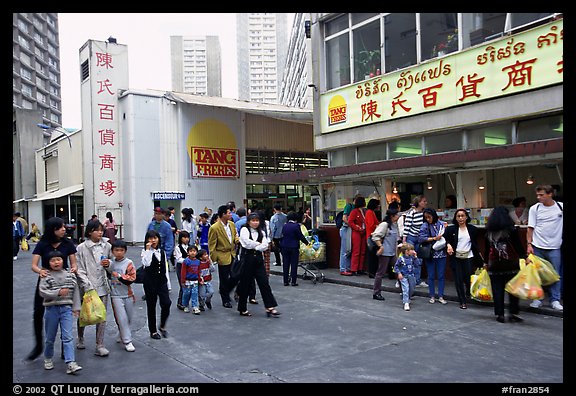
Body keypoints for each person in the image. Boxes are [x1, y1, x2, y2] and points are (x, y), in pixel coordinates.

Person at [28, 217, 78, 362]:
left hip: (64, 282)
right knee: (38, 312)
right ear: (52, 229)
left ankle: (65, 349)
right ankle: (39, 346)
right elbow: (34, 265)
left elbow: (74, 263)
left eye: (64, 227)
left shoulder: (67, 243)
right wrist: (40, 271)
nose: (64, 229)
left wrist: (74, 269)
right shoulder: (43, 244)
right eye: (60, 227)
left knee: (65, 313)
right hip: (46, 281)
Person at [38, 250, 82, 374]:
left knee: (67, 336)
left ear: (63, 260)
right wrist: (57, 293)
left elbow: (76, 292)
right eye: (53, 260)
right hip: (51, 309)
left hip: (66, 309)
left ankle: (70, 362)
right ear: (48, 263)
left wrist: (76, 308)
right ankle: (48, 358)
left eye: (59, 259)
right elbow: (42, 291)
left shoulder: (70, 275)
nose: (56, 262)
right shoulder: (46, 275)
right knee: (50, 337)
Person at [484, 206, 530, 323]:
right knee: (514, 289)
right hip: (511, 264)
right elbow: (518, 246)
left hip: (494, 264)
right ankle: (513, 313)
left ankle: (500, 314)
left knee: (497, 289)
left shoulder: (489, 231)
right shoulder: (512, 230)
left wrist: (485, 263)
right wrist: (525, 257)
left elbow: (486, 249)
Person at [75, 219, 113, 356]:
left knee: (101, 315)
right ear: (90, 231)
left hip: (102, 285)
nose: (100, 232)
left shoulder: (107, 245)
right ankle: (80, 337)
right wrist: (87, 285)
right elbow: (78, 269)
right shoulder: (81, 248)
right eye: (97, 230)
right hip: (87, 287)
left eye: (101, 230)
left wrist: (108, 263)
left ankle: (100, 344)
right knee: (83, 314)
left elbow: (112, 262)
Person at [236, 213, 281, 317]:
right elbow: (246, 243)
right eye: (253, 220)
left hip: (258, 259)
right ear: (248, 221)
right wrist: (258, 245)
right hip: (247, 259)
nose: (255, 223)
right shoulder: (244, 230)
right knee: (245, 284)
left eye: (257, 220)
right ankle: (242, 308)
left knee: (264, 282)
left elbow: (266, 245)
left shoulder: (261, 231)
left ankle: (270, 306)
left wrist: (256, 246)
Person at [527, 185, 563, 310]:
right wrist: (529, 244)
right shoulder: (534, 208)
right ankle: (537, 298)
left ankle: (555, 299)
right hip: (537, 246)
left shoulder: (560, 207)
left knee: (556, 274)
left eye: (541, 195)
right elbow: (530, 228)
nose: (538, 197)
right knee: (537, 274)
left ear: (550, 194)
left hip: (555, 246)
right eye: (537, 195)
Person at [444, 209, 483, 309]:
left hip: (468, 256)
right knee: (458, 279)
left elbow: (475, 244)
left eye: (462, 216)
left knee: (468, 276)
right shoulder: (451, 229)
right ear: (455, 218)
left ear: (466, 217)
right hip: (456, 256)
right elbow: (446, 239)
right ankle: (462, 301)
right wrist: (448, 245)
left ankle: (468, 292)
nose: (461, 218)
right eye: (458, 216)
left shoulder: (473, 229)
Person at [141, 229, 172, 339]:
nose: (153, 240)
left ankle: (162, 325)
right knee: (151, 306)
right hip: (150, 283)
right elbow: (146, 263)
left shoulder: (162, 252)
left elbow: (165, 269)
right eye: (150, 238)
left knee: (166, 303)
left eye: (155, 238)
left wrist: (168, 285)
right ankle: (153, 330)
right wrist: (148, 250)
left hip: (162, 281)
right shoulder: (145, 252)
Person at [106, 239, 136, 352]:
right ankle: (127, 341)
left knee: (128, 318)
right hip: (115, 295)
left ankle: (122, 333)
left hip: (128, 294)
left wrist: (119, 276)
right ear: (112, 251)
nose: (119, 252)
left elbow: (132, 278)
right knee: (121, 318)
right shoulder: (111, 263)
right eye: (116, 250)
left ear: (125, 251)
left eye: (121, 250)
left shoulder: (129, 263)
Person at [208, 204, 239, 308]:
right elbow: (212, 244)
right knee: (224, 278)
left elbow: (235, 236)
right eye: (229, 213)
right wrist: (214, 258)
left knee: (235, 276)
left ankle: (226, 291)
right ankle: (225, 299)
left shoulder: (231, 224)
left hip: (232, 253)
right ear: (223, 214)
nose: (230, 214)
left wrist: (239, 241)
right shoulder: (214, 227)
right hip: (222, 255)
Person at [419, 208, 448, 305]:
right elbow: (421, 238)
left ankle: (440, 295)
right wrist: (434, 238)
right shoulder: (425, 225)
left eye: (429, 217)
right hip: (430, 253)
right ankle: (432, 295)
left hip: (441, 253)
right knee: (431, 275)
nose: (427, 219)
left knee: (441, 275)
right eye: (426, 217)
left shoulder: (441, 224)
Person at [371, 207, 400, 300]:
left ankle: (405, 291)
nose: (398, 216)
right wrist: (380, 246)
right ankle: (376, 292)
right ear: (392, 216)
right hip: (385, 253)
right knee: (380, 273)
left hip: (392, 253)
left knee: (399, 269)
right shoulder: (384, 224)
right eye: (396, 215)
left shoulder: (395, 225)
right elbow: (375, 236)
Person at [403, 195, 429, 287]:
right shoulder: (411, 214)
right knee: (409, 259)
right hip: (411, 238)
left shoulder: (424, 214)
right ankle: (404, 279)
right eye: (424, 201)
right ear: (419, 203)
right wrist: (404, 240)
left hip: (419, 238)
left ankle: (417, 280)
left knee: (418, 259)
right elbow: (407, 227)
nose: (425, 203)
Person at [280, 211, 311, 286]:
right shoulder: (296, 226)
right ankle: (293, 281)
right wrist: (307, 243)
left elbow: (282, 235)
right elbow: (300, 236)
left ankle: (285, 281)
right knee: (294, 264)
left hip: (284, 246)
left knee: (286, 264)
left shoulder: (284, 226)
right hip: (294, 247)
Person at [147, 207, 175, 291]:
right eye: (155, 213)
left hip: (162, 250)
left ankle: (165, 287)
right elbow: (147, 237)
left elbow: (169, 241)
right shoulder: (151, 225)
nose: (157, 215)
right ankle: (151, 288)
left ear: (163, 215)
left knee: (163, 271)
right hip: (151, 250)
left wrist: (167, 255)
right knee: (150, 270)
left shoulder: (167, 226)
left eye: (159, 214)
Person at [394, 243, 421, 311]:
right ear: (407, 251)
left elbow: (418, 265)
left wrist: (415, 257)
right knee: (406, 288)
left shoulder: (412, 258)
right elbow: (396, 267)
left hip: (411, 275)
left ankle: (407, 297)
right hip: (404, 276)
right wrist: (399, 273)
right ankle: (406, 302)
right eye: (411, 250)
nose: (413, 251)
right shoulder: (401, 259)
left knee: (412, 288)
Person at [348, 195, 367, 275]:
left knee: (362, 251)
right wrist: (357, 228)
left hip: (363, 232)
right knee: (356, 251)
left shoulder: (363, 211)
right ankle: (354, 269)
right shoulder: (354, 211)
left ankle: (360, 268)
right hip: (356, 233)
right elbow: (350, 221)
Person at [181, 245, 201, 314]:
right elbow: (183, 272)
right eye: (191, 251)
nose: (192, 253)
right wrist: (183, 281)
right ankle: (185, 305)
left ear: (197, 252)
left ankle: (195, 306)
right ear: (188, 253)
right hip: (187, 281)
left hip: (195, 280)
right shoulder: (186, 261)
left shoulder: (198, 262)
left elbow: (198, 271)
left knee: (194, 293)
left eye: (194, 251)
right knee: (187, 293)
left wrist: (199, 279)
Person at [173, 230, 190, 310]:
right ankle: (180, 302)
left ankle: (185, 301)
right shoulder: (178, 247)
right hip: (181, 267)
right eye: (184, 237)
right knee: (182, 284)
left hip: (189, 267)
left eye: (187, 237)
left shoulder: (190, 247)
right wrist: (188, 260)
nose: (186, 239)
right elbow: (179, 259)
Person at [339, 197, 355, 276]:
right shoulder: (349, 206)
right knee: (345, 250)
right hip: (346, 229)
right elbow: (344, 218)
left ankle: (347, 268)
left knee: (349, 250)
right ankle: (343, 269)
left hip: (350, 229)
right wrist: (352, 225)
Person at [365, 198, 381, 278]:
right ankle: (372, 272)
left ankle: (373, 272)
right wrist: (379, 226)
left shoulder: (371, 212)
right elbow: (371, 225)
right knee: (372, 256)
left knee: (373, 255)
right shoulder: (370, 212)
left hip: (372, 235)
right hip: (371, 236)